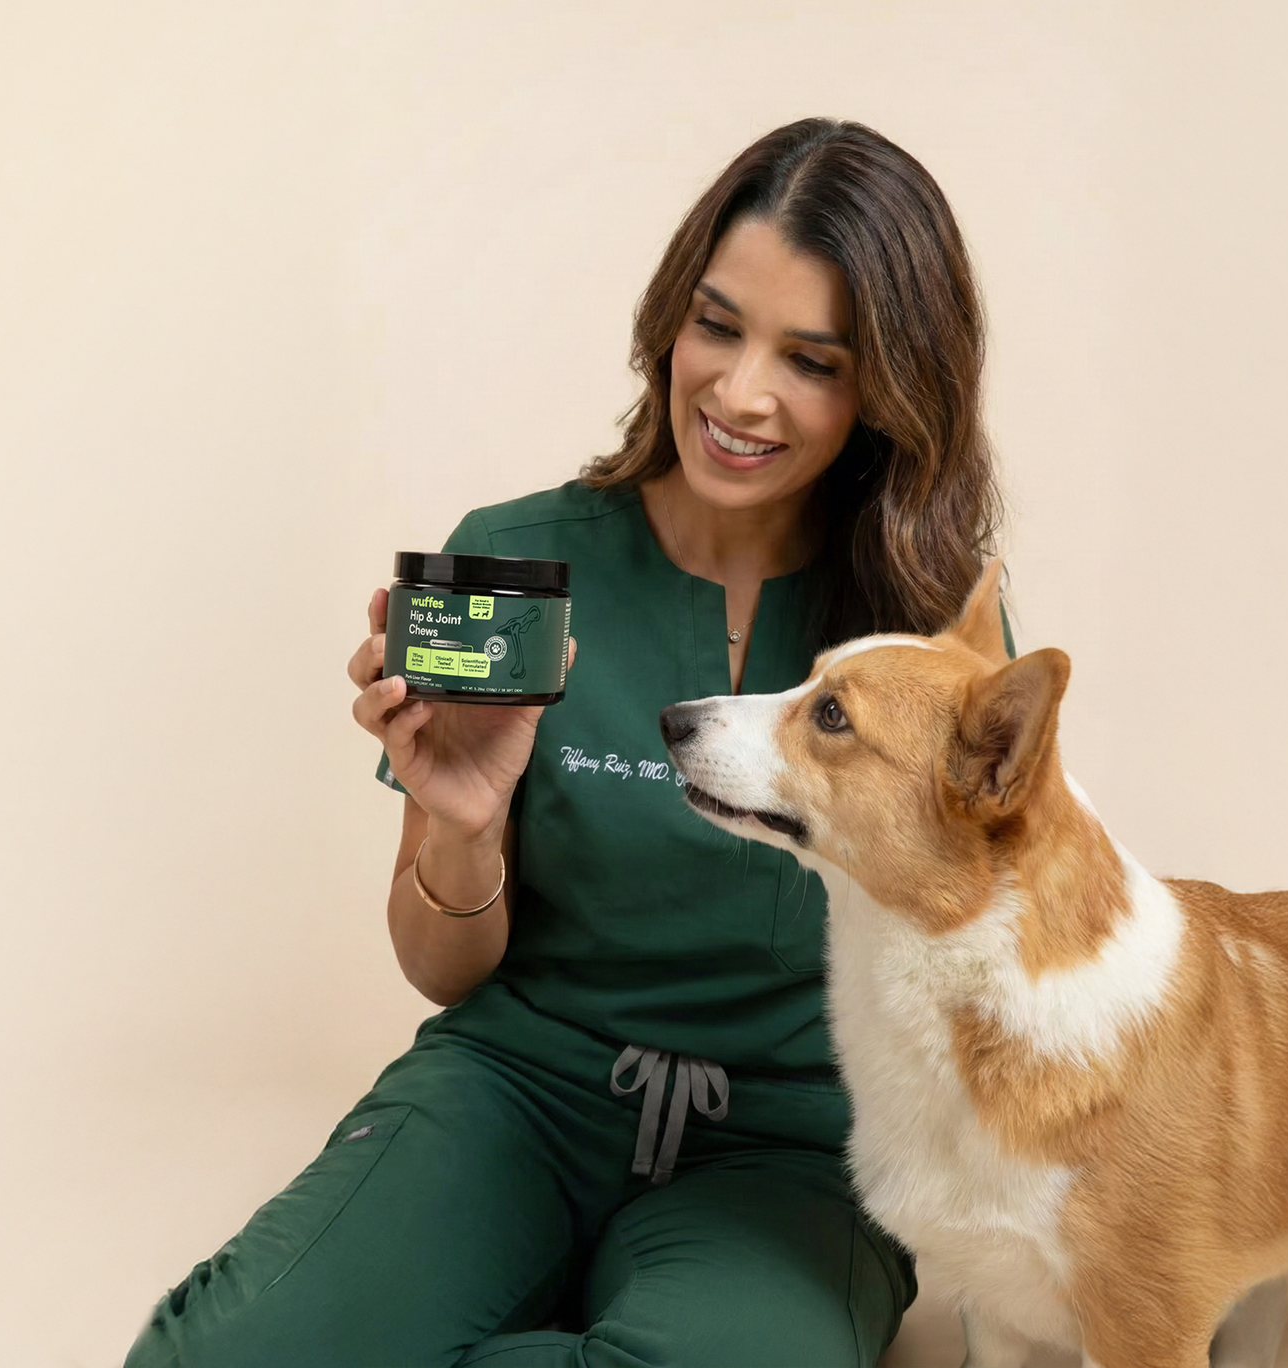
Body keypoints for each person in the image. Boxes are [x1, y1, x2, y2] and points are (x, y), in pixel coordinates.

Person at [126, 116, 1007, 1368]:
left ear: (886, 388)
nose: (741, 392)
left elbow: (982, 937)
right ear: (670, 319)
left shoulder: (930, 635)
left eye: (811, 359)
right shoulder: (523, 570)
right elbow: (443, 968)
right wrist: (461, 822)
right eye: (718, 325)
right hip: (519, 1092)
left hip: (795, 1145)